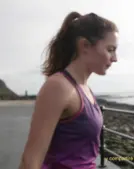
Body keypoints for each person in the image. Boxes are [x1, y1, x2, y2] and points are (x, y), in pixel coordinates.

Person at [18, 11, 119, 169]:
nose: (115, 58)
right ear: (85, 45)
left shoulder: (85, 89)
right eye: (110, 49)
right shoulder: (59, 87)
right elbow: (30, 161)